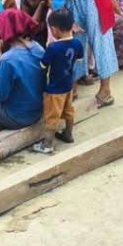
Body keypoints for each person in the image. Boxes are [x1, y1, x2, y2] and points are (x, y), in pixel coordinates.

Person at [32, 8, 85, 154]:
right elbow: (79, 59)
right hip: (68, 85)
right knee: (69, 110)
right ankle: (68, 134)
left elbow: (43, 65)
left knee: (52, 116)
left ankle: (47, 144)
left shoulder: (53, 47)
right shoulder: (77, 43)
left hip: (54, 88)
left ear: (54, 30)